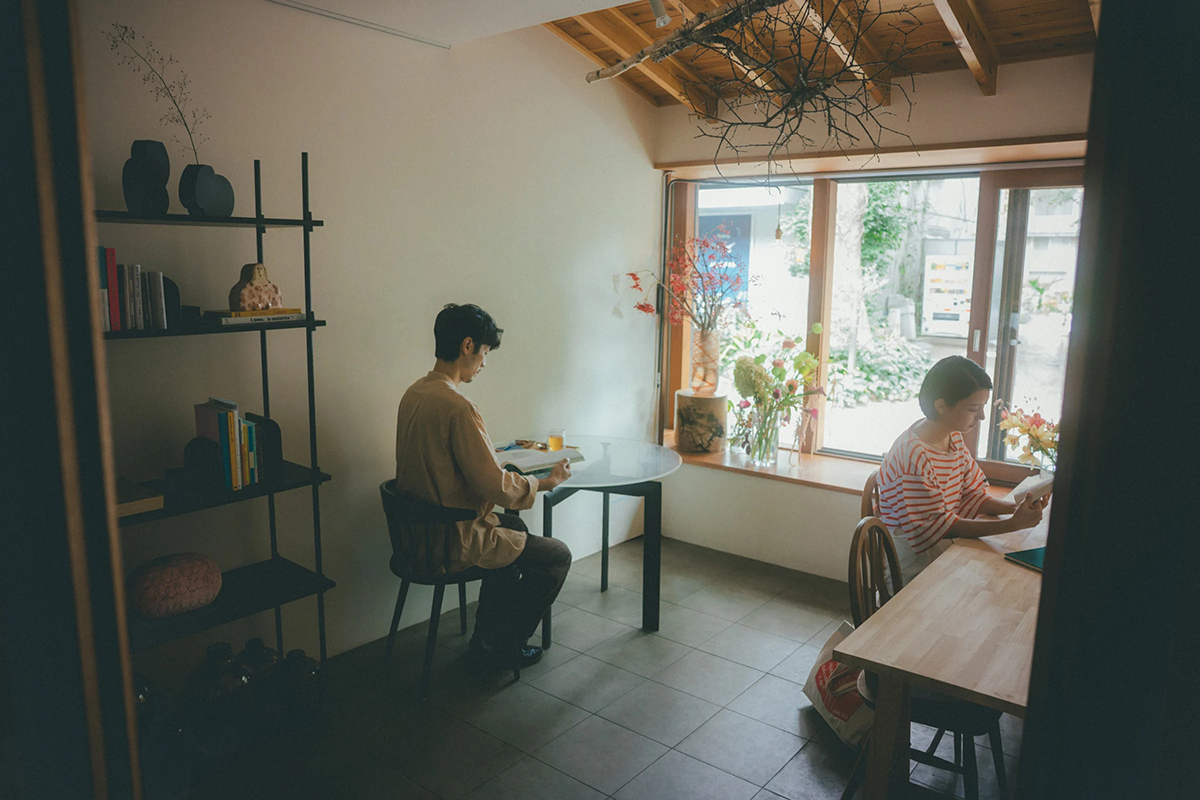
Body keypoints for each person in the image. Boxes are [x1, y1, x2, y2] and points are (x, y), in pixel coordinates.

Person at [394, 303, 572, 668]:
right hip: (450, 540)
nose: (484, 363)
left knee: (514, 526)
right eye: (485, 352)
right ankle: (503, 645)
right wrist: (546, 481)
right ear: (467, 346)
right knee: (557, 556)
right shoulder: (459, 408)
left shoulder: (414, 394)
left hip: (417, 533)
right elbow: (495, 487)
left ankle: (488, 637)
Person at [876, 356, 1047, 585]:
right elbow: (937, 527)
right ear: (940, 406)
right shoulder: (913, 455)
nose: (982, 416)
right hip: (914, 569)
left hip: (944, 551)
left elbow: (970, 494)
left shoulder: (952, 436)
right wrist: (1012, 524)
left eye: (983, 407)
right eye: (973, 408)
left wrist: (1016, 507)